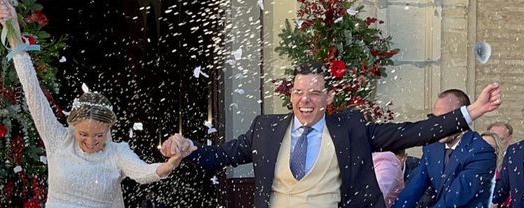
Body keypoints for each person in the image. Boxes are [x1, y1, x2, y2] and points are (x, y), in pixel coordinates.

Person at [162, 63, 502, 208]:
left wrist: (469, 113)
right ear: (290, 95)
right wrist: (186, 151)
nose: (305, 100)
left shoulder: (351, 128)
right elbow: (220, 156)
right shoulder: (264, 130)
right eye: (298, 92)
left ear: (328, 98)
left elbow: (409, 133)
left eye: (314, 93)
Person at [0, 0, 191, 208]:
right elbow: (32, 91)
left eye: (99, 135)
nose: (90, 142)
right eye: (83, 134)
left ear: (109, 128)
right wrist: (13, 30)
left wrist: (170, 164)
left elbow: (144, 172)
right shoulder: (58, 140)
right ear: (72, 127)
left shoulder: (117, 153)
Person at [393, 89, 496, 208]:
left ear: (462, 119)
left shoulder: (481, 152)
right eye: (433, 118)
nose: (437, 126)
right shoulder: (432, 147)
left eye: (443, 119)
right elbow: (413, 189)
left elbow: (454, 200)